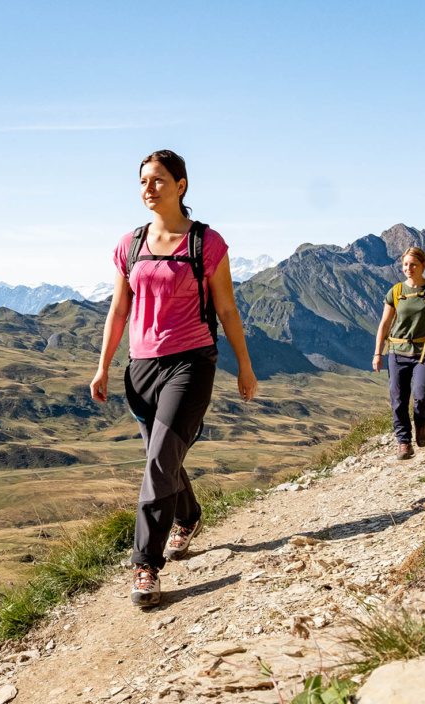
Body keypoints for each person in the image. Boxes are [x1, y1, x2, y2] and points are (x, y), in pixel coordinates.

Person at [90, 150, 258, 608]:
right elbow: (119, 310)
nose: (149, 188)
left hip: (191, 363)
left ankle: (146, 564)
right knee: (160, 455)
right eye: (143, 181)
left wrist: (244, 364)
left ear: (181, 185)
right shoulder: (131, 245)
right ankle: (188, 516)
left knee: (159, 459)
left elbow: (226, 309)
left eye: (159, 180)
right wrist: (104, 364)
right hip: (140, 368)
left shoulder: (206, 243)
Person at [372, 246, 425, 460]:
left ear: (423, 265)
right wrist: (378, 353)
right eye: (405, 264)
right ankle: (404, 442)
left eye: (413, 264)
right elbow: (385, 323)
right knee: (398, 399)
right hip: (397, 351)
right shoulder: (395, 292)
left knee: (422, 396)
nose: (408, 268)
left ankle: (421, 425)